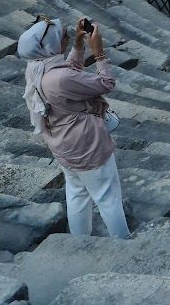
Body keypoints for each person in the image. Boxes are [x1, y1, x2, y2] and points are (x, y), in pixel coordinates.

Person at [19, 16, 130, 239]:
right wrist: (98, 53)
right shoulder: (59, 79)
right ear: (51, 45)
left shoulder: (37, 68)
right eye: (63, 36)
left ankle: (80, 241)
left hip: (63, 144)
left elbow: (69, 72)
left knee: (77, 193)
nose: (67, 35)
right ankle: (124, 243)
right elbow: (105, 83)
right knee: (107, 198)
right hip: (86, 144)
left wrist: (78, 44)